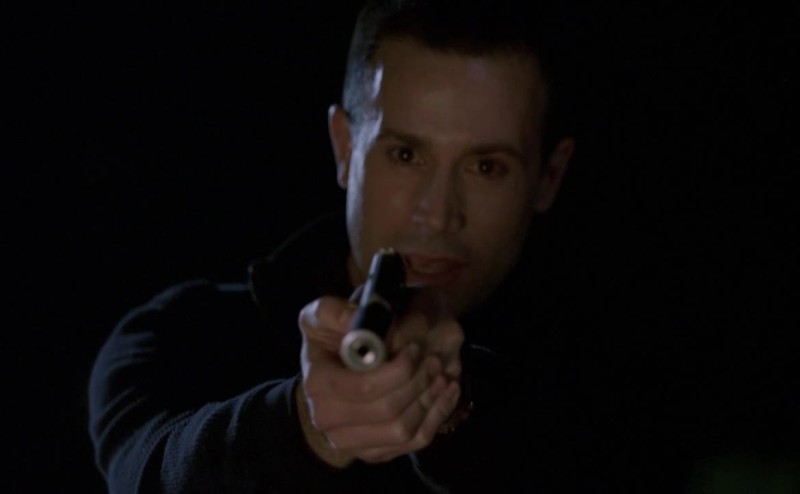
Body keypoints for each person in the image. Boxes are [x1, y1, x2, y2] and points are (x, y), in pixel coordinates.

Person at [88, 0, 696, 492]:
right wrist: (305, 426)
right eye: (406, 154)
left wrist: (454, 407)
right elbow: (147, 476)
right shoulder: (179, 333)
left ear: (549, 176)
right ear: (345, 148)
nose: (438, 214)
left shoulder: (620, 384)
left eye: (487, 167)